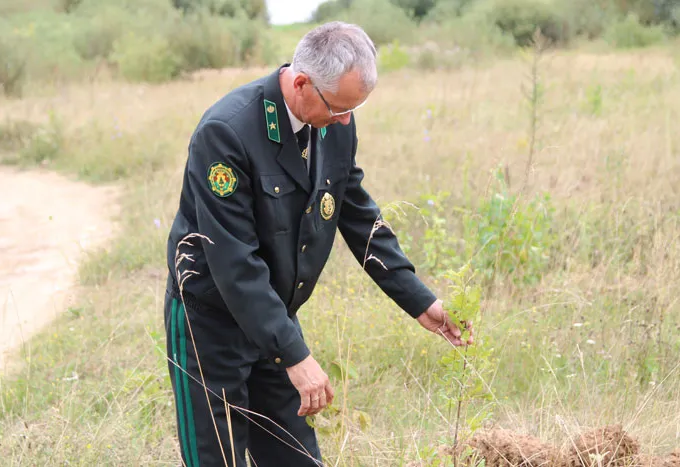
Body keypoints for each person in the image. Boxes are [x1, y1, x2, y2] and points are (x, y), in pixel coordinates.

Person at [163, 21, 474, 467]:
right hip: (209, 322)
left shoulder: (335, 123)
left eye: (356, 108)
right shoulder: (227, 132)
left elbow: (358, 215)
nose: (345, 120)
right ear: (302, 83)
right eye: (338, 108)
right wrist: (294, 355)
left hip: (274, 317)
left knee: (297, 459)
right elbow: (235, 262)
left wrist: (420, 301)